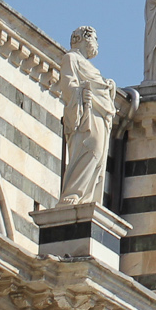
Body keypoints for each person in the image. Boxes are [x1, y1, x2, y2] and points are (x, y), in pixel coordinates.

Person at [58, 27, 118, 206]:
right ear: (84, 38)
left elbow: (98, 88)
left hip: (99, 114)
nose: (97, 43)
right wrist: (81, 92)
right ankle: (74, 193)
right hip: (86, 114)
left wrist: (109, 88)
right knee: (90, 149)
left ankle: (87, 196)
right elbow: (68, 86)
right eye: (95, 38)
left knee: (98, 154)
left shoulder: (89, 66)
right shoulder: (71, 58)